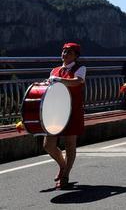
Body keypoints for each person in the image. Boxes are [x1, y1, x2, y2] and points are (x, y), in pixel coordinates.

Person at [44, 42, 86, 189]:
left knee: (70, 144)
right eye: (63, 51)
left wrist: (61, 80)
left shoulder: (80, 68)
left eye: (69, 52)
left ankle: (66, 175)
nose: (65, 54)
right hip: (55, 111)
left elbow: (78, 81)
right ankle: (62, 165)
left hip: (72, 110)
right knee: (48, 144)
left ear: (76, 55)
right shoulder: (54, 70)